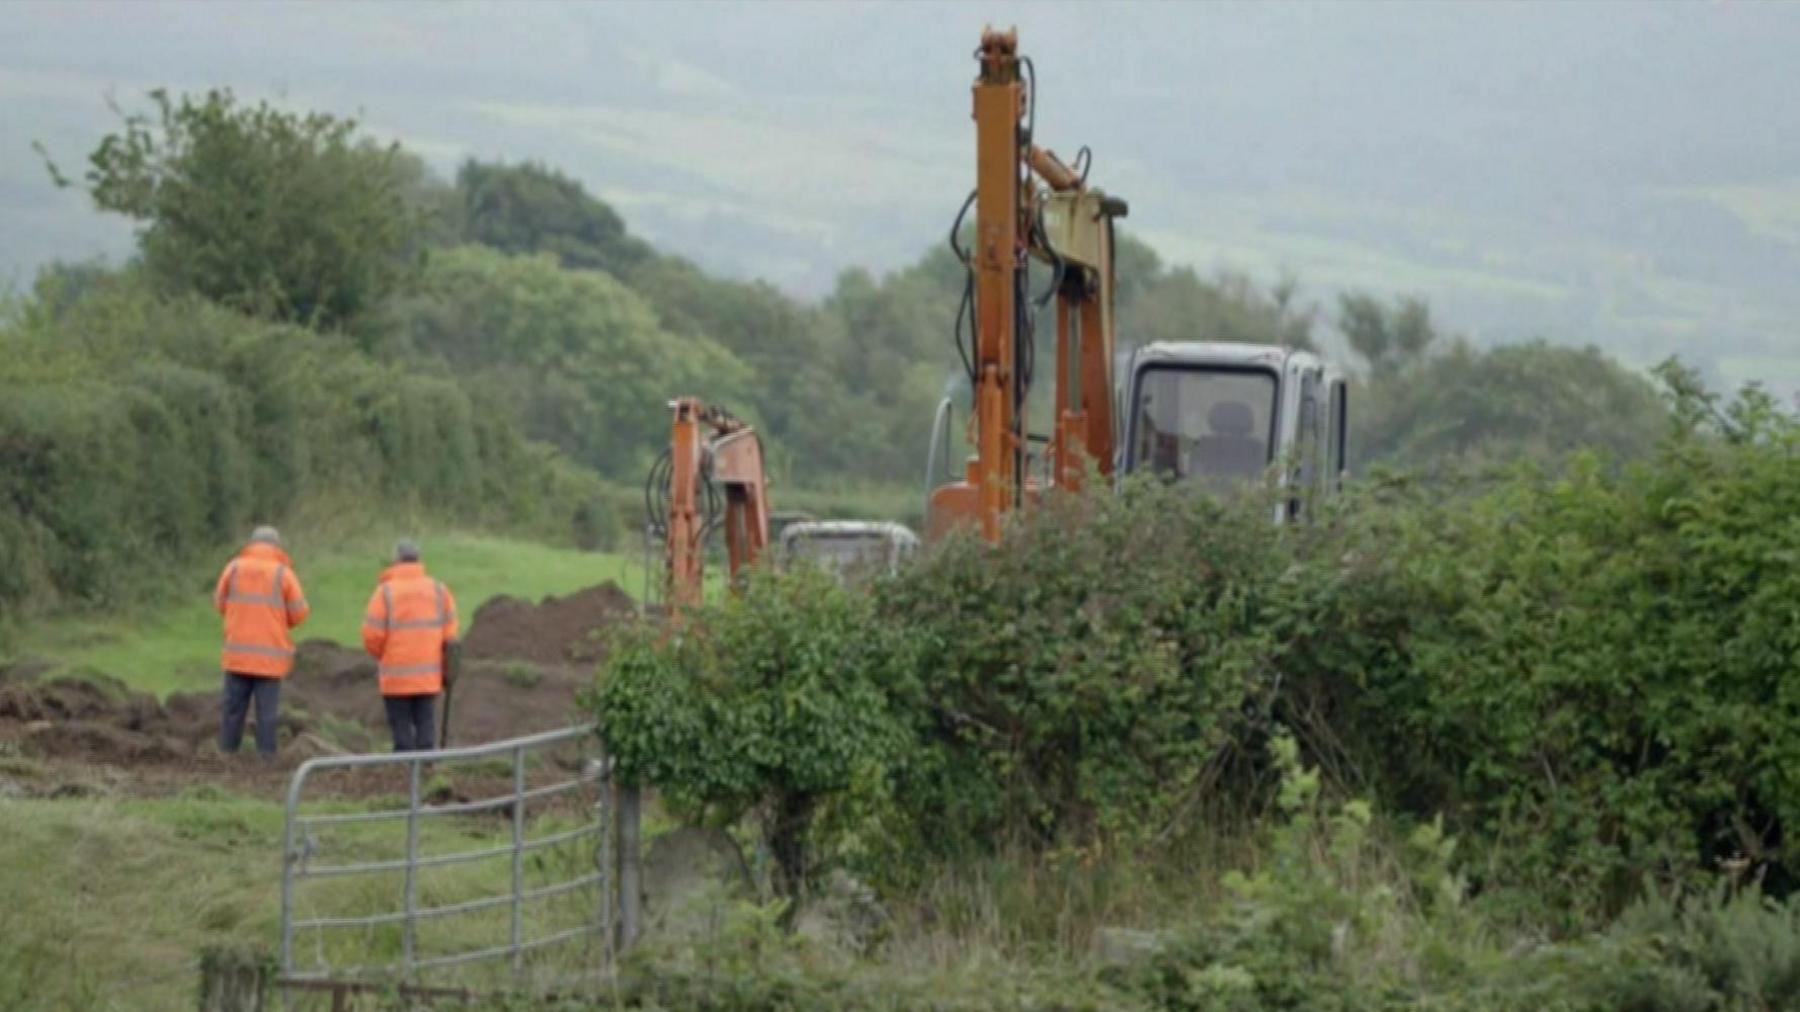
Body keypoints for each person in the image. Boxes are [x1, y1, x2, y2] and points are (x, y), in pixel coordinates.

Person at [214, 525, 310, 758]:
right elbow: (300, 612)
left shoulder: (234, 568)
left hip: (237, 655)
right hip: (269, 658)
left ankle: (227, 754)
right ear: (276, 546)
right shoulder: (283, 573)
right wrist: (277, 622)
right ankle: (266, 759)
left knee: (233, 710)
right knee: (267, 713)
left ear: (251, 544)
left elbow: (219, 602)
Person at [362, 539, 460, 752]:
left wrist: (385, 656)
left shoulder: (385, 593)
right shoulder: (439, 591)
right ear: (419, 560)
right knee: (426, 727)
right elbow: (451, 637)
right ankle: (427, 772)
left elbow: (371, 636)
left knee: (401, 731)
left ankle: (403, 774)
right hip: (428, 677)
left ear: (396, 560)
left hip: (396, 678)